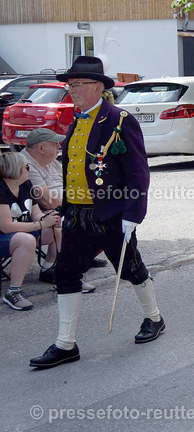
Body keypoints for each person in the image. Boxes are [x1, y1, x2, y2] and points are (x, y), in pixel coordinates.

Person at [30, 56, 163, 369]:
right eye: (70, 85)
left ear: (98, 87)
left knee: (129, 268)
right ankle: (66, 344)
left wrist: (133, 213)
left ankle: (154, 318)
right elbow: (75, 168)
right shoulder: (76, 120)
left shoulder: (119, 121)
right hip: (78, 214)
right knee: (65, 271)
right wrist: (66, 206)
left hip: (111, 214)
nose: (72, 90)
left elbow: (138, 173)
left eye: (78, 85)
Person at [24, 128, 105, 284]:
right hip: (46, 211)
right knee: (76, 220)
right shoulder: (26, 165)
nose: (59, 147)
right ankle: (64, 266)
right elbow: (47, 201)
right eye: (55, 144)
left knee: (104, 214)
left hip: (63, 204)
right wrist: (76, 203)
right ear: (41, 148)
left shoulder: (51, 162)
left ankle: (84, 256)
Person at [0, 152, 61, 311]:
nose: (29, 170)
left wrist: (49, 218)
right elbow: (6, 226)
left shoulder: (26, 185)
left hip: (22, 233)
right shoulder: (1, 189)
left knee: (60, 227)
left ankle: (51, 270)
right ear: (14, 170)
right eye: (26, 167)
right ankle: (13, 291)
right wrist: (39, 224)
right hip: (4, 237)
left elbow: (37, 215)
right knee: (26, 240)